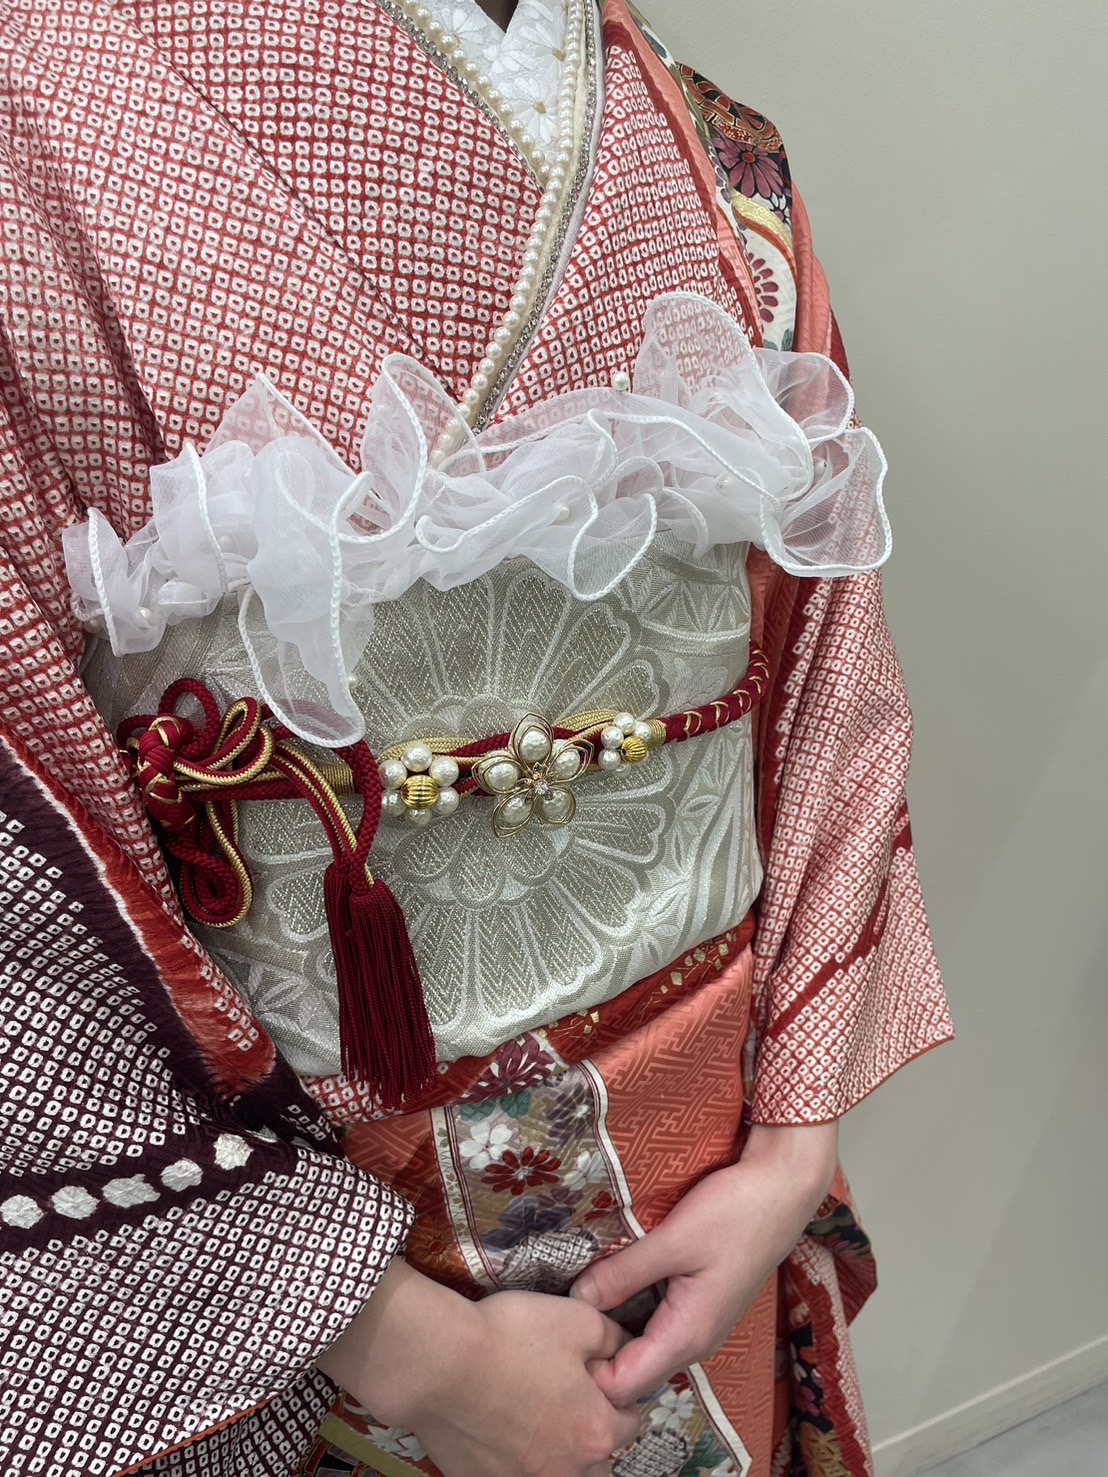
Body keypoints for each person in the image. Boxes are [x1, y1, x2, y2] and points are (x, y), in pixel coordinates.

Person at [0, 0, 953, 1473]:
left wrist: (791, 1141)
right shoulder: (40, 113)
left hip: (712, 1148)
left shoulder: (706, 148)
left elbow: (826, 666)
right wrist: (412, 1350)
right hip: (330, 1252)